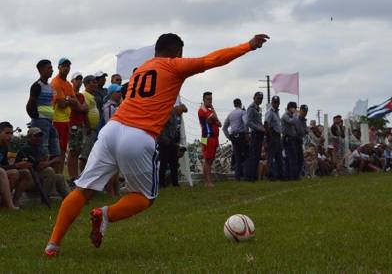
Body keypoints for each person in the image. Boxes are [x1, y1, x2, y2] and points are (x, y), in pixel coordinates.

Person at [44, 33, 269, 256]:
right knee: (144, 197)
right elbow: (212, 59)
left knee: (83, 189)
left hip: (111, 130)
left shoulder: (142, 68)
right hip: (138, 135)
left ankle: (53, 245)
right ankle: (105, 214)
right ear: (178, 53)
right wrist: (247, 46)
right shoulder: (174, 65)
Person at [15, 127, 68, 199]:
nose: (38, 138)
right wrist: (53, 160)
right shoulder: (26, 148)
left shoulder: (38, 147)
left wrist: (49, 160)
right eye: (36, 136)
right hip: (29, 180)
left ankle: (70, 199)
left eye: (40, 135)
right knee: (49, 171)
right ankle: (45, 198)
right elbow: (39, 167)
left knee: (60, 177)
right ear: (29, 137)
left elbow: (42, 163)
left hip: (36, 177)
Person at [26, 59, 60, 160]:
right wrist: (36, 117)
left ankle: (53, 170)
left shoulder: (50, 86)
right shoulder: (37, 86)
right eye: (49, 68)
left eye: (52, 68)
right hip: (41, 120)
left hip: (49, 120)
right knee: (42, 147)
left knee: (54, 145)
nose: (52, 70)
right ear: (41, 70)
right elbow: (30, 105)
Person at [51, 58, 78, 174]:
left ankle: (59, 176)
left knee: (63, 150)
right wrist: (69, 99)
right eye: (64, 66)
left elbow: (75, 101)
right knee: (58, 151)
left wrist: (67, 99)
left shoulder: (67, 84)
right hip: (57, 120)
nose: (66, 68)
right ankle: (57, 176)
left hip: (66, 121)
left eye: (68, 66)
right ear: (59, 67)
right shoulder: (55, 82)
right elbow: (62, 104)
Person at [0, 122, 32, 208]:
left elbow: (5, 165)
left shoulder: (4, 147)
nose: (10, 136)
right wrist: (16, 166)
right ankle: (9, 206)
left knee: (25, 172)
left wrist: (20, 164)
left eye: (11, 133)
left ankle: (13, 202)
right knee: (13, 172)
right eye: (7, 133)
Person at [68, 72, 88, 183]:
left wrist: (80, 107)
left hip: (80, 125)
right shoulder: (69, 95)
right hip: (72, 125)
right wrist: (81, 107)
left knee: (78, 150)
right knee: (73, 151)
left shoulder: (80, 96)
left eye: (81, 79)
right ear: (72, 81)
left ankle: (75, 176)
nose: (79, 81)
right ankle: (72, 176)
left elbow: (85, 108)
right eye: (77, 79)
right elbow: (81, 108)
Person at [198, 91, 221, 187]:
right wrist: (215, 118)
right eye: (208, 99)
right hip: (207, 137)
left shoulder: (210, 109)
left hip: (213, 137)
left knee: (211, 160)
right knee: (207, 160)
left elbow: (219, 123)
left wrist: (214, 112)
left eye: (211, 99)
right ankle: (207, 182)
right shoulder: (202, 110)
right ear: (203, 99)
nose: (210, 101)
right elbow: (214, 118)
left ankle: (208, 180)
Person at [222, 98, 247, 180]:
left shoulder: (230, 114)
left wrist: (229, 137)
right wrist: (247, 134)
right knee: (244, 155)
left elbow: (224, 127)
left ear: (234, 105)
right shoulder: (243, 112)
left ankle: (237, 176)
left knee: (237, 156)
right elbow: (246, 122)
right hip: (241, 135)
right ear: (240, 104)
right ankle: (245, 174)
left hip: (233, 136)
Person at [79, 75, 100, 171]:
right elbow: (84, 111)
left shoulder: (91, 95)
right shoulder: (85, 95)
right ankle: (82, 175)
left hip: (92, 129)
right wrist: (88, 126)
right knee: (85, 154)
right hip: (88, 129)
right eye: (94, 82)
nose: (96, 84)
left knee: (90, 154)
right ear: (87, 84)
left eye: (96, 82)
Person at [244, 92, 266, 181]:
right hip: (255, 133)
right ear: (254, 97)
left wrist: (262, 127)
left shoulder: (259, 109)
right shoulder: (251, 108)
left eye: (261, 98)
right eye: (258, 98)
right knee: (253, 155)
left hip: (259, 133)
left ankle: (254, 176)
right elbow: (248, 122)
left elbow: (258, 121)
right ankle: (250, 176)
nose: (260, 100)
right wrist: (259, 128)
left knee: (257, 155)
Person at [264, 95, 284, 180]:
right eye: (274, 102)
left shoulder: (276, 112)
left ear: (279, 103)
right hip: (272, 135)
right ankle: (270, 175)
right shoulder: (270, 112)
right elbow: (265, 124)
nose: (276, 104)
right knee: (271, 157)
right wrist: (270, 136)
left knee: (279, 156)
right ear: (272, 102)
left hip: (277, 136)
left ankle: (280, 175)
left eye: (277, 102)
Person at [281, 102, 300, 180]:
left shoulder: (291, 116)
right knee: (290, 158)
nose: (295, 109)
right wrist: (296, 114)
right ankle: (290, 176)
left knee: (292, 157)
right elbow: (292, 122)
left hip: (292, 138)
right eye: (294, 108)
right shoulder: (285, 115)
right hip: (287, 138)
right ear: (290, 108)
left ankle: (291, 175)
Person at [295, 104, 308, 177]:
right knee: (296, 158)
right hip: (294, 140)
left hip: (300, 140)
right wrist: (304, 131)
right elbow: (299, 130)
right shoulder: (297, 119)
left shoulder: (304, 120)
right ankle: (296, 174)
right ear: (300, 110)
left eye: (306, 111)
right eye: (304, 111)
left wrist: (305, 130)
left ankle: (298, 174)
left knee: (300, 158)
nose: (305, 113)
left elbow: (305, 130)